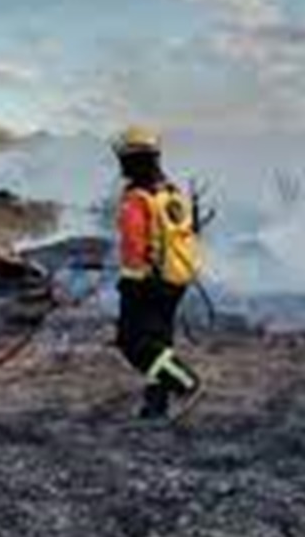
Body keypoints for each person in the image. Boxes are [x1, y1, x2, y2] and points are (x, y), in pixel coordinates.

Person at [113, 125, 204, 421]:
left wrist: (129, 281)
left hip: (147, 283)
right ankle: (155, 406)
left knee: (134, 344)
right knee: (160, 341)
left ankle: (185, 383)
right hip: (176, 278)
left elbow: (134, 245)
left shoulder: (137, 198)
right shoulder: (171, 192)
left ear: (131, 159)